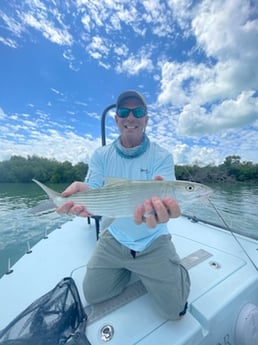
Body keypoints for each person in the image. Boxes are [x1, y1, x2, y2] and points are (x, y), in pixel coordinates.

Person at [58, 90, 190, 320]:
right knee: (93, 294)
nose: (131, 117)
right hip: (114, 235)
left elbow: (166, 197)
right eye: (124, 112)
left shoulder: (162, 156)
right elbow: (93, 188)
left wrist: (165, 208)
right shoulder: (100, 155)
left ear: (146, 120)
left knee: (175, 311)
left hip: (153, 238)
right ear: (117, 119)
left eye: (138, 112)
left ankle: (175, 272)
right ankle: (131, 268)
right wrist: (81, 196)